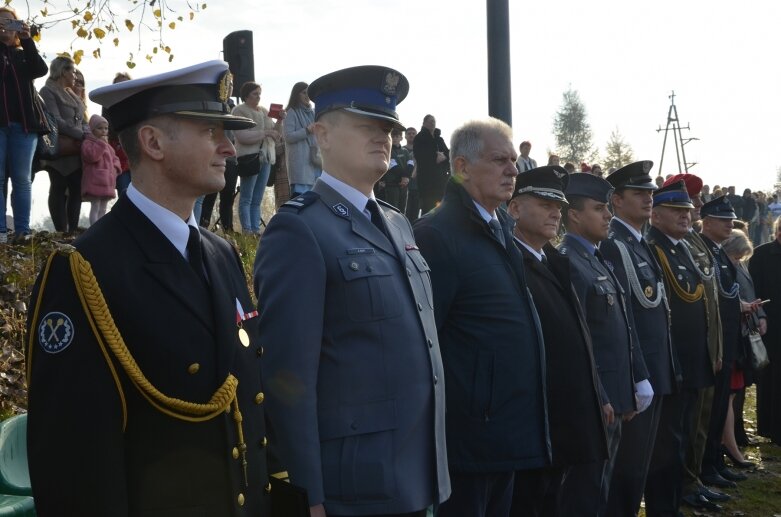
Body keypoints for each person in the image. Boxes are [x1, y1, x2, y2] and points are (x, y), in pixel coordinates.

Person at [26, 60, 271, 516]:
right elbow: (74, 466)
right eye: (211, 131)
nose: (229, 148)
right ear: (152, 142)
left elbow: (249, 414)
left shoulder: (222, 253)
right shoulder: (84, 271)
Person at [254, 65, 450, 517]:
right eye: (366, 125)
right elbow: (288, 377)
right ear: (321, 134)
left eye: (388, 128)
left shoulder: (399, 222)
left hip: (417, 473)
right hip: (352, 486)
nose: (384, 137)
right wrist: (307, 492)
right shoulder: (300, 229)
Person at [414, 118, 548, 517]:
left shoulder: (499, 227)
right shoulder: (438, 235)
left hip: (505, 430)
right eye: (499, 160)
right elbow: (427, 343)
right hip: (468, 438)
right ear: (461, 167)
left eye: (513, 160)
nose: (513, 169)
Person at [506, 166, 607, 517]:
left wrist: (598, 395)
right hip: (534, 423)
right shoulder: (508, 262)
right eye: (544, 201)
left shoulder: (553, 260)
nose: (555, 211)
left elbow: (580, 336)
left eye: (559, 204)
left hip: (566, 419)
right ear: (515, 208)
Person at [558, 172, 651, 517]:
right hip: (596, 403)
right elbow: (578, 342)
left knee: (601, 489)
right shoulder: (569, 261)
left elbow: (622, 329)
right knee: (583, 493)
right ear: (574, 215)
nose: (608, 215)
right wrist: (602, 395)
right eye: (599, 208)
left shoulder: (596, 259)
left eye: (607, 208)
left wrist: (631, 383)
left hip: (613, 397)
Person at [602, 161, 677, 517]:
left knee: (643, 464)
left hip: (655, 369)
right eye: (639, 193)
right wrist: (637, 373)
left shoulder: (638, 243)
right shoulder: (615, 245)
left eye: (650, 193)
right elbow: (624, 318)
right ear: (616, 200)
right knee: (626, 469)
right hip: (637, 376)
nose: (648, 199)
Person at [645, 181, 714, 515]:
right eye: (676, 211)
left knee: (683, 437)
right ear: (655, 216)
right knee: (666, 444)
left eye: (687, 211)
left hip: (691, 361)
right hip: (673, 364)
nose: (685, 217)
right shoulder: (654, 248)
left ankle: (678, 497)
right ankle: (664, 506)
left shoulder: (683, 247)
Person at [697, 196, 755, 492]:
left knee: (720, 406)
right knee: (710, 410)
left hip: (728, 340)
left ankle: (715, 462)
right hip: (715, 344)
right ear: (707, 222)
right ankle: (705, 467)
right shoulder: (703, 250)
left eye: (731, 220)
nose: (730, 225)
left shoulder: (718, 252)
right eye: (724, 220)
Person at [0, 6, 47, 243]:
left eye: (10, 22)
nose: (5, 27)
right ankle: (0, 232)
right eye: (1, 23)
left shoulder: (22, 54)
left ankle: (23, 231)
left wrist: (27, 41)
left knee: (21, 179)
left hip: (25, 127)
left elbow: (40, 70)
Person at [722, 228, 765, 465]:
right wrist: (742, 307)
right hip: (731, 338)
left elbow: (749, 291)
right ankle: (729, 446)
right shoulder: (724, 267)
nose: (739, 261)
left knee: (734, 394)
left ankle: (731, 441)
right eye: (737, 256)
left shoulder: (736, 266)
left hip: (740, 335)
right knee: (727, 396)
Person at [40, 55, 88, 234]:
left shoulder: (70, 92)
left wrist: (87, 133)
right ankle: (61, 230)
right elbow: (55, 121)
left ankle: (72, 230)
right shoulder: (47, 91)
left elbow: (81, 118)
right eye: (73, 71)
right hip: (59, 147)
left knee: (76, 188)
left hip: (76, 148)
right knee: (58, 186)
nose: (75, 76)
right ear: (63, 71)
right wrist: (80, 134)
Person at [232, 81, 284, 235]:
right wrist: (265, 133)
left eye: (259, 93)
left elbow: (276, 134)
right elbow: (242, 136)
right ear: (246, 95)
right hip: (249, 157)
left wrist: (280, 120)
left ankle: (256, 229)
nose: (258, 97)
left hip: (266, 157)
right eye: (255, 94)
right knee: (246, 196)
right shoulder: (238, 111)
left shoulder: (264, 111)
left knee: (258, 197)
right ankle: (247, 230)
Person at [748, 215, 781, 446]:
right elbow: (753, 289)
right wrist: (760, 316)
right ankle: (771, 427)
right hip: (771, 324)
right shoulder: (762, 254)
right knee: (771, 377)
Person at [80, 114, 121, 225]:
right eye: (100, 128)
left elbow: (115, 158)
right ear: (92, 129)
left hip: (108, 181)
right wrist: (101, 144)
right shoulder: (88, 143)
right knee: (95, 205)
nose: (103, 131)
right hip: (95, 180)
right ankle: (94, 228)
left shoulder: (108, 146)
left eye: (106, 128)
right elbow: (92, 156)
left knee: (103, 207)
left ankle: (101, 227)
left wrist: (116, 169)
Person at [284, 81, 320, 196]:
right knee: (301, 202)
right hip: (300, 166)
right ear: (296, 94)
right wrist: (307, 130)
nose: (307, 96)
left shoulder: (315, 112)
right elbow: (288, 137)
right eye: (304, 93)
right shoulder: (291, 112)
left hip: (316, 163)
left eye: (308, 93)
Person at [414, 114, 448, 214]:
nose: (433, 123)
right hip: (427, 182)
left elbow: (448, 153)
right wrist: (435, 158)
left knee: (441, 209)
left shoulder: (439, 139)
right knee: (428, 209)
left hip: (441, 180)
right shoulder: (419, 138)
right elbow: (420, 156)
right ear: (424, 123)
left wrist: (444, 157)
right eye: (430, 121)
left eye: (434, 121)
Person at [105, 72, 132, 197]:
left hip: (137, 160)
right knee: (124, 192)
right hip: (119, 159)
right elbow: (107, 130)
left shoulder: (138, 104)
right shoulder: (108, 106)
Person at [382, 127, 411, 211]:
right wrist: (404, 178)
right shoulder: (388, 150)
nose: (394, 138)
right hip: (392, 185)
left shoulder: (405, 151)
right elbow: (393, 167)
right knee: (392, 210)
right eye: (393, 136)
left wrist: (406, 178)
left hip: (404, 185)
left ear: (401, 138)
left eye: (397, 136)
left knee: (402, 210)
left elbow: (410, 165)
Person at [404, 126, 420, 222]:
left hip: (418, 187)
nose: (411, 135)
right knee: (404, 214)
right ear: (405, 136)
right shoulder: (400, 150)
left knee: (415, 216)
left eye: (413, 133)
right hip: (404, 188)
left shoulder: (422, 151)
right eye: (409, 133)